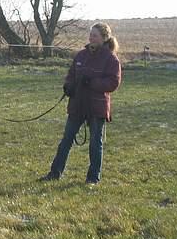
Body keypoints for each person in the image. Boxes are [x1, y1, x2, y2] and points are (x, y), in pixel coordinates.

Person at [40, 22, 122, 184]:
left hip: (96, 106)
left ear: (104, 38)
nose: (91, 37)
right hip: (77, 104)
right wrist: (68, 86)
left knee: (95, 144)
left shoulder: (111, 59)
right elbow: (71, 74)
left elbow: (113, 83)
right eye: (90, 34)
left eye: (95, 35)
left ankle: (93, 179)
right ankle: (54, 173)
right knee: (66, 140)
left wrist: (92, 82)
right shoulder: (81, 55)